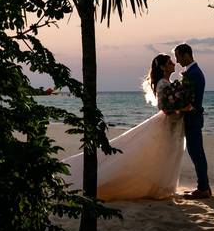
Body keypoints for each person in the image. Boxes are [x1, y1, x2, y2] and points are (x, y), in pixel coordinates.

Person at [62, 53, 185, 200]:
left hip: (174, 123)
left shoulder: (168, 82)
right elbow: (162, 106)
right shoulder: (162, 84)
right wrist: (180, 107)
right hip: (167, 122)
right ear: (163, 66)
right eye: (170, 62)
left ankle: (164, 186)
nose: (174, 64)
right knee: (158, 152)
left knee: (169, 152)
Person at [175, 43, 211, 199]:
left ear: (186, 55)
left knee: (197, 154)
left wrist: (178, 107)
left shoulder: (194, 74)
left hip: (193, 119)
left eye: (178, 57)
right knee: (196, 153)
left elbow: (193, 102)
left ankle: (203, 188)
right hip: (192, 119)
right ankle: (204, 187)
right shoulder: (192, 72)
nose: (177, 61)